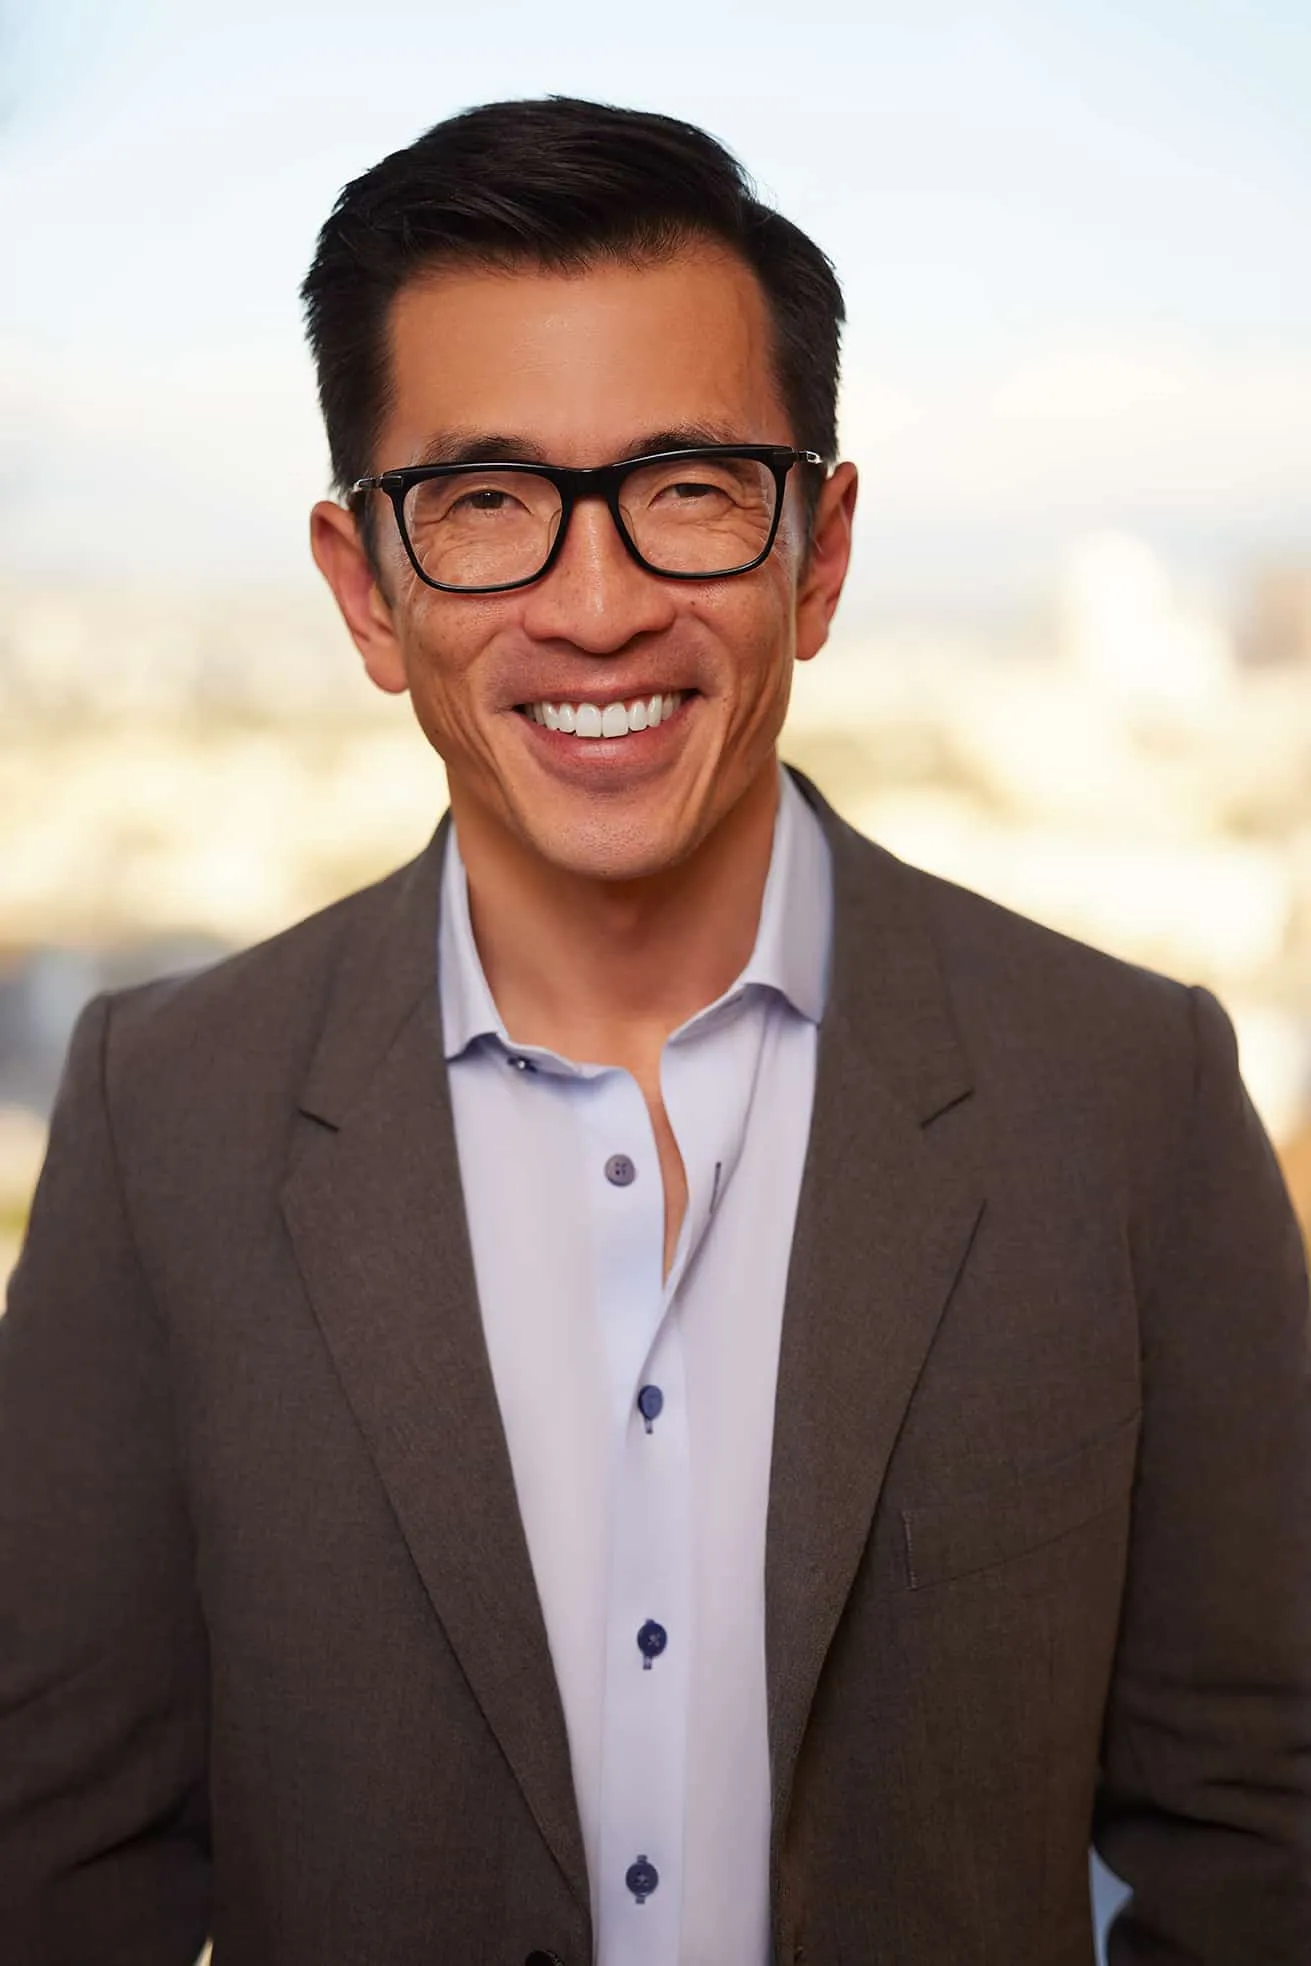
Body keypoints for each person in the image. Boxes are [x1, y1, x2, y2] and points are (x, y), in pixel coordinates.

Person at [0, 96, 1306, 1966]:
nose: (595, 606)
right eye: (484, 505)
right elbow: (59, 1872)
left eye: (687, 487)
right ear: (365, 587)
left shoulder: (1128, 1100)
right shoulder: (160, 1121)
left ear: (820, 548)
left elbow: (1258, 1835)